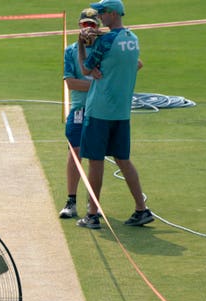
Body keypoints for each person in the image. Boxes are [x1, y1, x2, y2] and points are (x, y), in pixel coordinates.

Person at [76, 0, 153, 229]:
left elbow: (86, 69)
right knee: (123, 159)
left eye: (101, 14)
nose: (99, 17)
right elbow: (136, 64)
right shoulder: (133, 39)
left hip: (99, 110)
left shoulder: (107, 41)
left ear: (112, 13)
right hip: (121, 112)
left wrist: (82, 44)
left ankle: (92, 213)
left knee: (95, 162)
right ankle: (141, 208)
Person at [59, 8, 102, 219]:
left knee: (96, 157)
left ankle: (92, 206)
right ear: (80, 27)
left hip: (101, 110)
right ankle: (71, 200)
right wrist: (98, 85)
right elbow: (70, 83)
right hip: (79, 109)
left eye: (92, 25)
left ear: (98, 27)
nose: (88, 29)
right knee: (75, 152)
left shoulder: (105, 49)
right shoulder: (71, 51)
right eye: (85, 25)